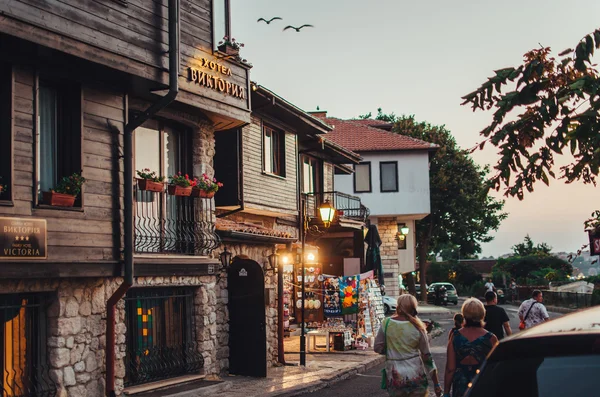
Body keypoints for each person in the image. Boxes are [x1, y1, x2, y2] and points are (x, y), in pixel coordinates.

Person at [375, 295, 442, 397]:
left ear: (399, 306)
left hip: (395, 379)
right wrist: (436, 384)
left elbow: (377, 347)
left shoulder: (386, 323)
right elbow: (427, 357)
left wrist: (391, 350)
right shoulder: (418, 327)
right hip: (416, 377)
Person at [443, 298, 498, 397]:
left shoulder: (455, 336)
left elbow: (450, 368)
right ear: (482, 314)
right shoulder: (491, 338)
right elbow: (496, 368)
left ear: (464, 314)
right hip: (482, 385)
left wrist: (446, 393)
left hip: (460, 386)